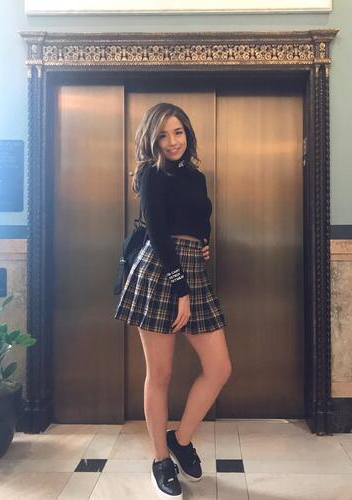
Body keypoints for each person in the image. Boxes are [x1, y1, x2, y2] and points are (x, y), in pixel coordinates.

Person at [114, 102, 232, 499]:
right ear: (152, 140)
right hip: (160, 270)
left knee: (219, 367)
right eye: (163, 135)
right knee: (160, 374)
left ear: (187, 133)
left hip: (193, 271)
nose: (172, 141)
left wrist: (204, 242)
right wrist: (180, 288)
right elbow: (158, 232)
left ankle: (180, 440)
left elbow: (200, 219)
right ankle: (161, 460)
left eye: (178, 132)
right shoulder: (151, 173)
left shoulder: (197, 176)